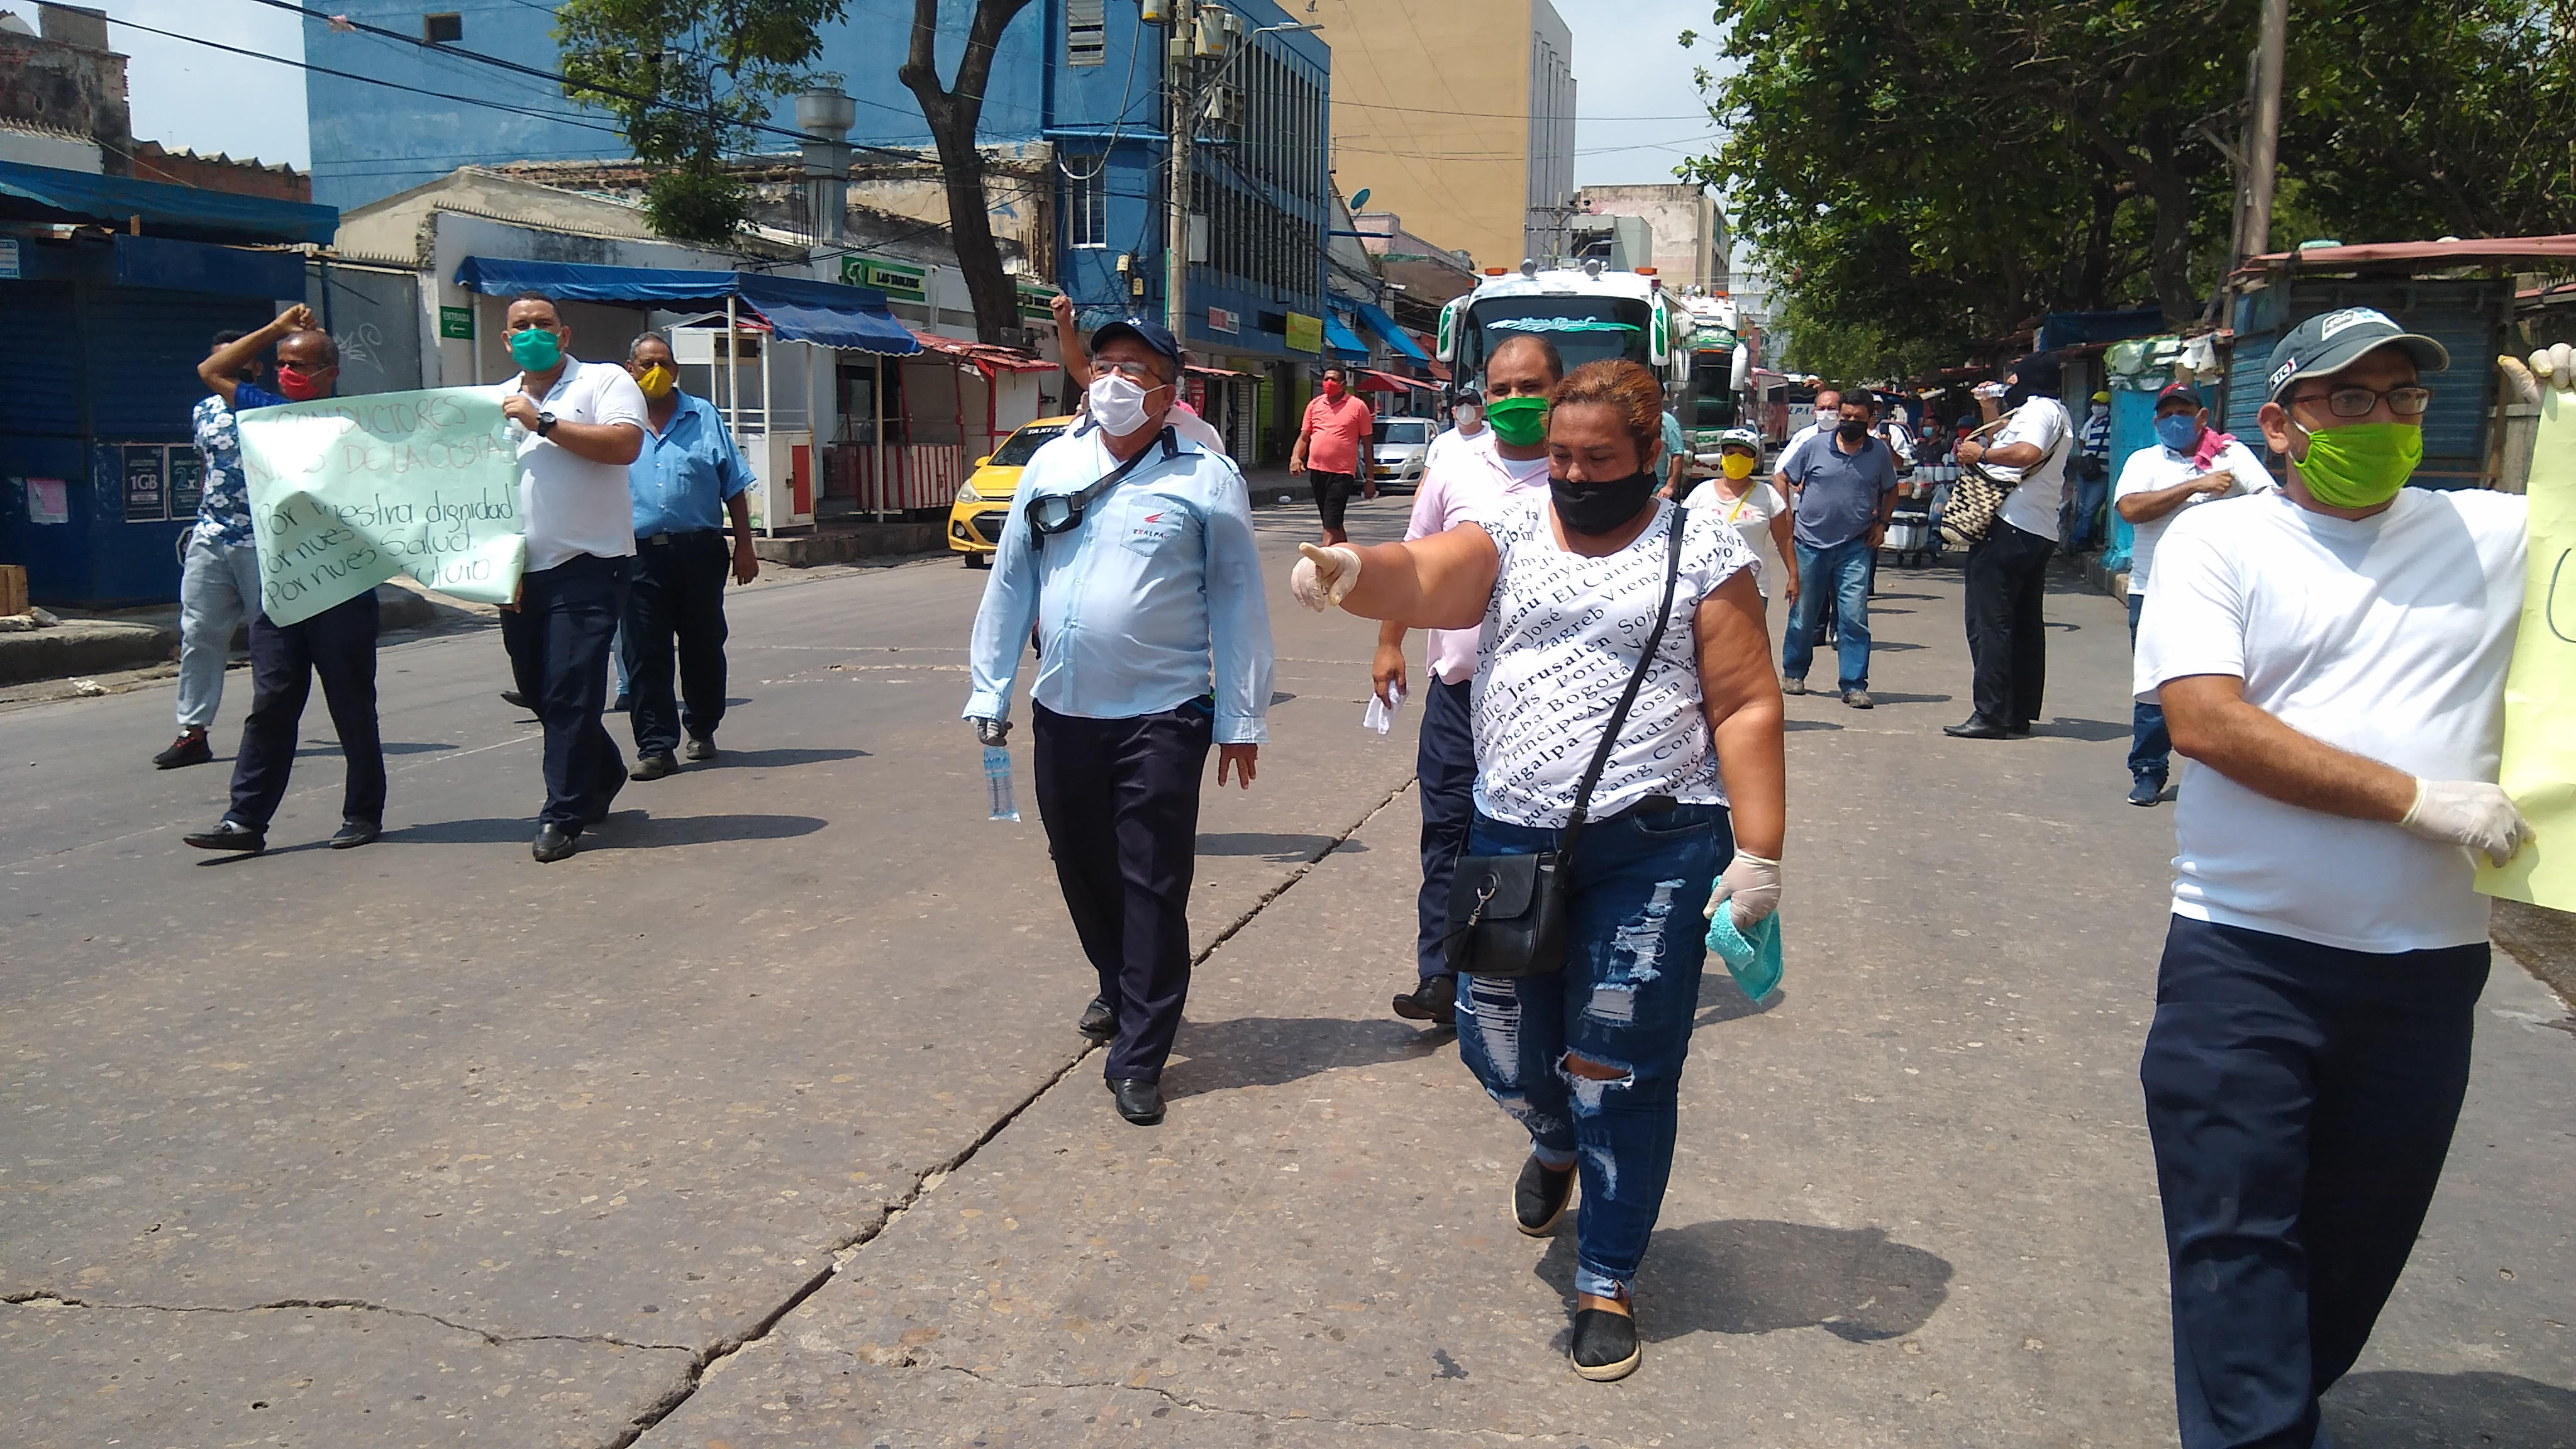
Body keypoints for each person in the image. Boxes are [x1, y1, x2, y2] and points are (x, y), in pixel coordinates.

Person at [1287, 358, 1786, 1384]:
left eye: (1599, 457)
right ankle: (1554, 1136)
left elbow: (1743, 703)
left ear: (1652, 454)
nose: (1573, 472)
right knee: (1497, 1043)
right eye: (1560, 454)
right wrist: (1351, 573)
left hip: (1654, 847)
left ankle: (1606, 1271)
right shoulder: (1512, 530)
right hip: (1512, 842)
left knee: (1621, 1065)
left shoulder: (1703, 551)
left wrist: (1759, 849)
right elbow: (1427, 575)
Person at [2133, 307, 2531, 1449]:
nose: (2383, 418)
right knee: (2236, 1235)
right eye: (2348, 398)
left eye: (2402, 397)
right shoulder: (2225, 541)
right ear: (2282, 422)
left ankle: (2275, 1398)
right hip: (2244, 958)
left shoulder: (2493, 534)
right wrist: (2418, 799)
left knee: (2357, 1244)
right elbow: (2206, 720)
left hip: (2425, 972)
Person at [964, 316, 1274, 1130]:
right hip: (1063, 711)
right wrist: (989, 689)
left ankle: (1141, 1051)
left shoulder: (1206, 477)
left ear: (1169, 390)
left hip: (1164, 715)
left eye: (1134, 369)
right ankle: (1120, 982)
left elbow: (1240, 600)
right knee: (1081, 865)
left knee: (1152, 883)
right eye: (1103, 365)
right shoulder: (1053, 463)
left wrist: (1241, 715)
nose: (1113, 381)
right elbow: (1011, 582)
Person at [1375, 336, 1565, 1027]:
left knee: (1536, 839)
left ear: (1559, 391)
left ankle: (1527, 970)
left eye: (1530, 387)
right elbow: (1410, 564)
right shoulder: (1453, 472)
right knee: (1447, 834)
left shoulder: (1579, 475)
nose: (1515, 401)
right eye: (1502, 389)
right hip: (1458, 694)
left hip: (1548, 698)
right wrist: (1389, 644)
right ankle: (1441, 973)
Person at [179, 306, 387, 855]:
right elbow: (211, 370)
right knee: (271, 704)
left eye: (300, 364)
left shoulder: (357, 424)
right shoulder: (265, 411)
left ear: (330, 373)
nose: (287, 372)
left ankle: (363, 813)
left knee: (350, 705)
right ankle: (245, 820)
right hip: (282, 589)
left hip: (342, 588)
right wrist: (275, 330)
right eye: (282, 363)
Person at [499, 292, 650, 863]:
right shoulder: (496, 401)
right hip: (519, 575)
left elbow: (624, 445)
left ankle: (563, 813)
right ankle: (604, 771)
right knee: (541, 692)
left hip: (589, 564)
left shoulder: (604, 382)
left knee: (568, 690)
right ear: (507, 340)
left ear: (563, 336)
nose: (532, 333)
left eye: (543, 325)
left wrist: (544, 422)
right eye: (521, 327)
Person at [2111, 382, 2273, 807]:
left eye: (2183, 413)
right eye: (2166, 415)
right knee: (2155, 688)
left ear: (2203, 418)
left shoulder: (2232, 456)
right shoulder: (2145, 461)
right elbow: (2130, 509)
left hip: (2224, 594)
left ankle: (2233, 772)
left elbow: (2270, 502)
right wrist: (2194, 486)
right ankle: (2148, 770)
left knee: (2234, 686)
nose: (2174, 421)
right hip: (2153, 590)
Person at [619, 332, 760, 781]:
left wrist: (745, 546)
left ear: (676, 370)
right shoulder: (616, 421)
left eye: (664, 363)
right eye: (646, 363)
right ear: (630, 369)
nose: (655, 371)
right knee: (644, 651)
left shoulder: (703, 416)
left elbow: (734, 484)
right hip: (636, 556)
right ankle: (656, 746)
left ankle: (702, 726)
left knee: (702, 644)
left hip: (699, 551)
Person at [1946, 356, 2073, 739]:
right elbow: (2011, 437)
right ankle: (2017, 711)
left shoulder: (2038, 411)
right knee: (2022, 624)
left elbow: (2024, 454)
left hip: (2008, 525)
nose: (2009, 381)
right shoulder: (2055, 412)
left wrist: (1980, 454)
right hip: (2038, 528)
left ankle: (1991, 713)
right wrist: (1989, 408)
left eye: (2015, 376)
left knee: (1990, 624)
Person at [157, 330, 266, 770]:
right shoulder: (203, 412)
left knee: (270, 641)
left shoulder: (267, 410)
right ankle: (193, 731)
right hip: (212, 536)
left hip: (263, 540)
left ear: (254, 368)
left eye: (236, 363)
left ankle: (269, 730)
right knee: (199, 633)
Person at [1777, 392, 1899, 708]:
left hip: (1855, 547)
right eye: (1846, 417)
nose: (1850, 423)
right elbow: (1783, 477)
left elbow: (1892, 488)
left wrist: (1883, 523)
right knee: (1803, 615)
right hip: (1809, 545)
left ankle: (1854, 684)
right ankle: (1794, 672)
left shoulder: (1879, 453)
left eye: (1858, 419)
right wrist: (1785, 513)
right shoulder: (1815, 446)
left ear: (1870, 420)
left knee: (1854, 617)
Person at [1684, 427, 1797, 620]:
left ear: (1754, 460)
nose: (1737, 458)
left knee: (1746, 647)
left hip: (1753, 588)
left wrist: (1794, 577)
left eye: (1745, 455)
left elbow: (1784, 539)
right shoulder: (1701, 493)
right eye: (1731, 453)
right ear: (1722, 456)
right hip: (1705, 587)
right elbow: (1683, 538)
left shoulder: (1768, 496)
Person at [1289, 365, 1377, 545]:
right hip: (1317, 471)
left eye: (1334, 380)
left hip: (1342, 474)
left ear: (1344, 384)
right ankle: (1348, 559)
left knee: (1330, 524)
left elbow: (1368, 445)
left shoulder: (1358, 407)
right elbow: (1304, 436)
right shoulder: (1314, 405)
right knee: (1333, 522)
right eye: (1326, 379)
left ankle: (1323, 563)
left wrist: (1370, 480)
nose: (1329, 383)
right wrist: (1295, 458)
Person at [2065, 389, 2115, 550]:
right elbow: (2082, 439)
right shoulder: (2091, 422)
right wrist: (2087, 456)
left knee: (2090, 508)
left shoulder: (2113, 422)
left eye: (2100, 404)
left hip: (2102, 473)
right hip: (2086, 471)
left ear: (2108, 406)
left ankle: (2077, 540)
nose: (2097, 407)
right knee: (2081, 507)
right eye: (2095, 403)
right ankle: (2084, 539)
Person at [1422, 386, 1485, 478]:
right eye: (1460, 404)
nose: (1465, 408)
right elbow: (1425, 482)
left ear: (1481, 410)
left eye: (1471, 404)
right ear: (1453, 411)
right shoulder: (1441, 442)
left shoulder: (1496, 440)